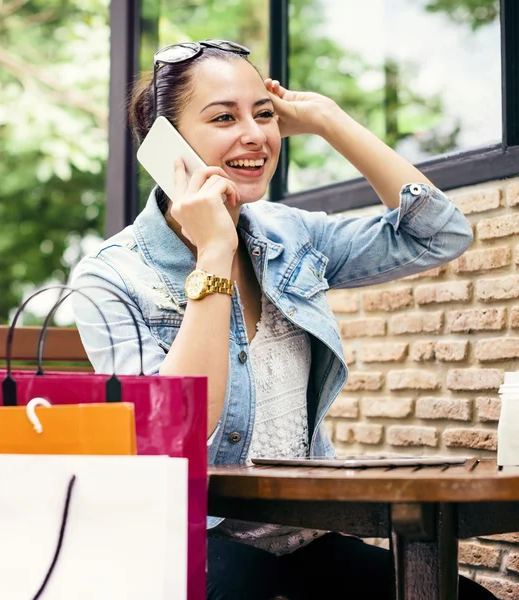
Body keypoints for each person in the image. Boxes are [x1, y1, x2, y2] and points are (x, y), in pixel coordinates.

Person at [71, 40, 496, 600]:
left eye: (265, 114)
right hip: (195, 545)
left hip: (309, 539)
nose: (256, 135)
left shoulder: (290, 235)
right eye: (224, 117)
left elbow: (439, 233)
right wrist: (213, 253)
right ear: (164, 145)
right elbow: (175, 439)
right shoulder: (111, 276)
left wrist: (327, 119)